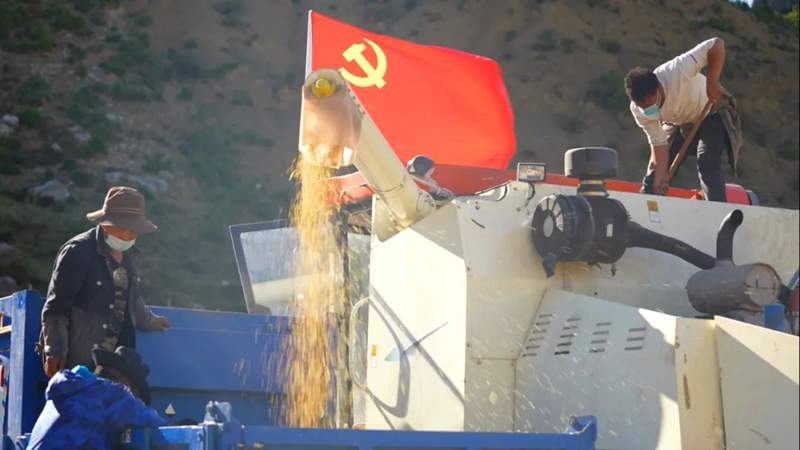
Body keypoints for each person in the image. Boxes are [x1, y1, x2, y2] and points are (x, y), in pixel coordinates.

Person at [38, 186, 170, 378]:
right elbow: (57, 308)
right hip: (81, 361)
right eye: (123, 229)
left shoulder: (129, 257)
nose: (128, 236)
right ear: (106, 224)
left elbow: (132, 301)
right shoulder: (78, 252)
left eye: (134, 231)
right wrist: (54, 350)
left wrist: (153, 321)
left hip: (116, 365)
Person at [624, 37, 742, 202]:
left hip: (711, 111)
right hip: (680, 122)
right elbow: (659, 144)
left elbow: (716, 44)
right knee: (654, 176)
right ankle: (647, 207)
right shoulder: (639, 111)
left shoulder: (677, 71)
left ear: (659, 89)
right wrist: (660, 177)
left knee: (707, 161)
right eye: (643, 107)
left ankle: (717, 210)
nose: (648, 110)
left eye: (651, 104)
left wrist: (712, 82)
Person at [27, 346, 166, 450]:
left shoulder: (66, 390)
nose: (133, 397)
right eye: (134, 392)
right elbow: (156, 425)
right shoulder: (113, 394)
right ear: (125, 381)